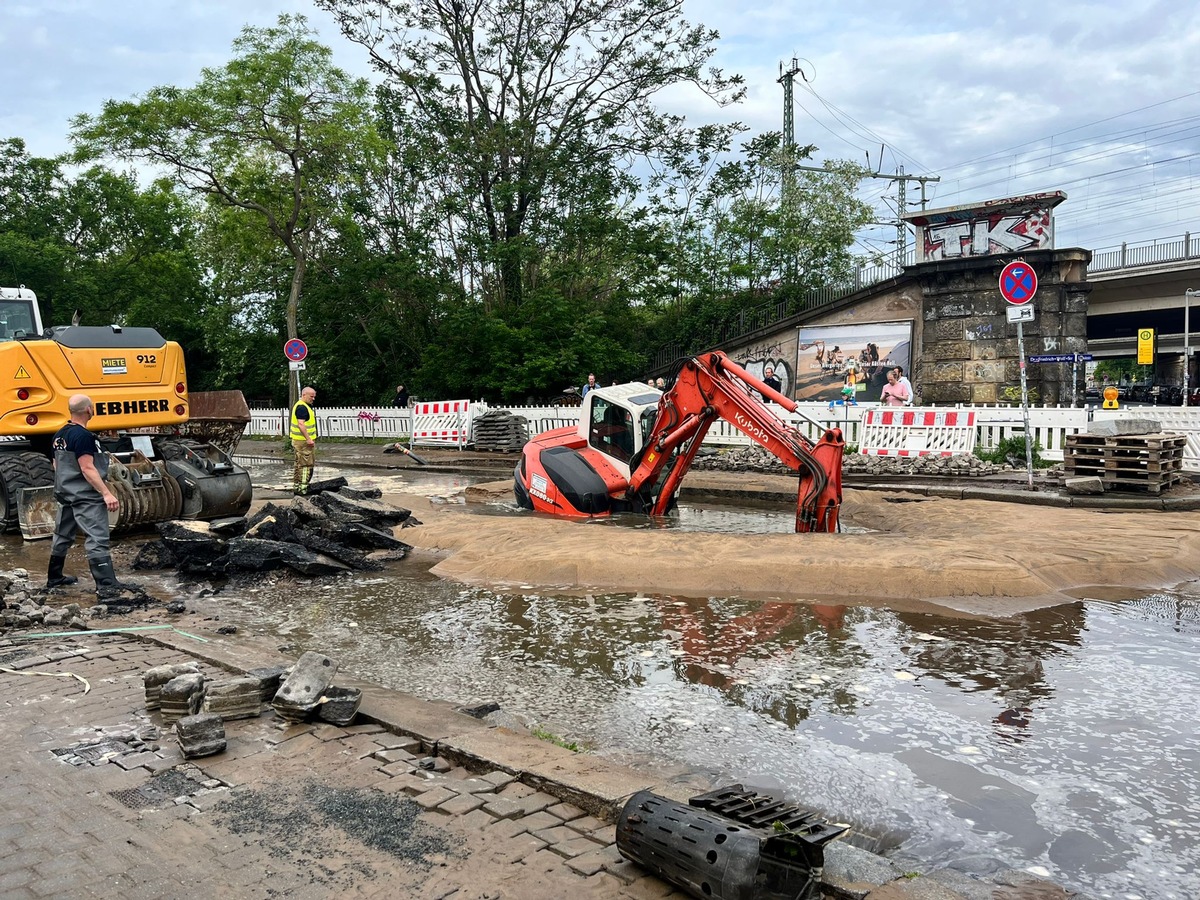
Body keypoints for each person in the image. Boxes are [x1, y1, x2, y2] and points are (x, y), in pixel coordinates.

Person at [46, 394, 124, 597]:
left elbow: (56, 465)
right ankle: (106, 585)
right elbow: (87, 468)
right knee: (97, 537)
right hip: (85, 496)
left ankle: (54, 577)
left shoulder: (59, 435)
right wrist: (106, 493)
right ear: (89, 410)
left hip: (66, 493)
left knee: (62, 534)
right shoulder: (83, 437)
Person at [290, 385, 318, 495]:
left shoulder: (302, 405)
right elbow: (301, 424)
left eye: (314, 397)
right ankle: (303, 488)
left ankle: (297, 486)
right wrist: (309, 439)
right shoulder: (302, 407)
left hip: (298, 440)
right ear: (304, 395)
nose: (313, 398)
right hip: (303, 442)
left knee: (298, 464)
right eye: (311, 396)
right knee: (306, 464)